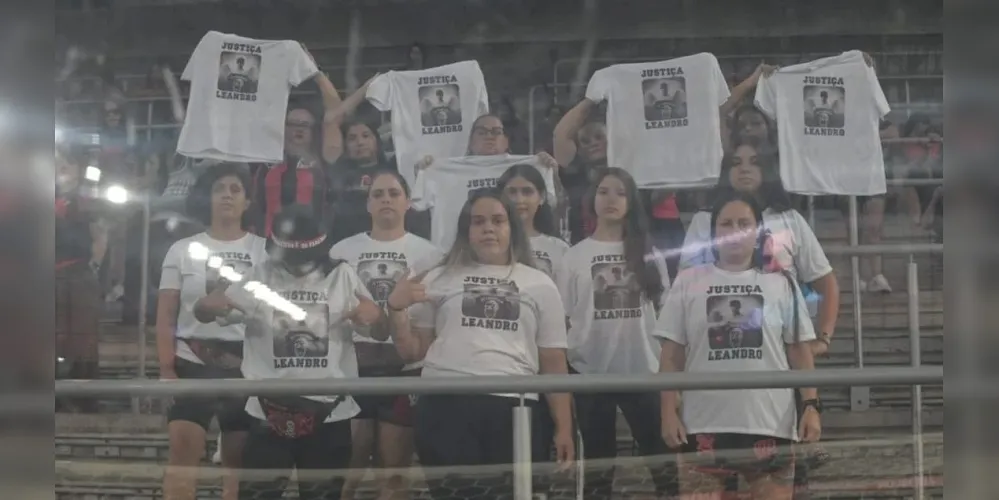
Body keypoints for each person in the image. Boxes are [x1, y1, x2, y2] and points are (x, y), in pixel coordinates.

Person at [385, 189, 575, 500]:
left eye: (498, 220)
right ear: (466, 230)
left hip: (515, 406)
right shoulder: (438, 277)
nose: (488, 228)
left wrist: (563, 427)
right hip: (446, 404)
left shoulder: (540, 283)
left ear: (511, 228)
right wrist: (396, 309)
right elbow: (412, 351)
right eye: (478, 221)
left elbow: (553, 362)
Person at [194, 204, 387, 500]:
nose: (297, 267)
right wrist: (206, 306)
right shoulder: (260, 274)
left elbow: (381, 331)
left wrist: (374, 314)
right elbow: (205, 313)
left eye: (304, 259)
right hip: (267, 411)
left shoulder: (343, 275)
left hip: (330, 412)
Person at [657, 191, 821, 499]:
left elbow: (799, 351)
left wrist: (811, 406)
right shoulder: (688, 281)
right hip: (703, 421)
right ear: (713, 232)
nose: (734, 231)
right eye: (726, 223)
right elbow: (671, 355)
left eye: (744, 223)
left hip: (771, 420)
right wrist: (668, 411)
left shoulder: (781, 282)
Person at [556, 168, 676, 500]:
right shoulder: (574, 256)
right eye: (604, 191)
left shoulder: (650, 252)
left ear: (632, 202)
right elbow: (564, 318)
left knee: (663, 464)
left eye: (620, 193)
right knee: (598, 468)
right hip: (589, 374)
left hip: (645, 372)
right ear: (591, 199)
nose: (611, 199)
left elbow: (665, 315)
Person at [329, 171, 443, 500]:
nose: (386, 200)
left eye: (394, 193)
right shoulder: (341, 251)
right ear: (368, 204)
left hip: (405, 371)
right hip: (352, 371)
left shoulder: (430, 254)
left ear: (408, 202)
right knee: (346, 475)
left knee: (393, 476)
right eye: (378, 194)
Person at [157, 164, 268, 500]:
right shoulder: (181, 249)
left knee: (237, 465)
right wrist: (165, 368)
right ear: (208, 197)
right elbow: (165, 313)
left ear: (247, 201)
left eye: (236, 189)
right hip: (192, 358)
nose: (227, 195)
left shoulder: (264, 251)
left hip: (246, 363)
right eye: (220, 188)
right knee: (182, 458)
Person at [678, 137, 839, 358]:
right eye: (736, 163)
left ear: (767, 169)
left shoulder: (790, 220)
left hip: (782, 346)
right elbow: (685, 288)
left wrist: (823, 339)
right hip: (714, 346)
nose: (745, 169)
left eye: (754, 162)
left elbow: (826, 283)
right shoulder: (703, 221)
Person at [55, 142, 107, 414]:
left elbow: (100, 234)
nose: (61, 169)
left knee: (82, 337)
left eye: (66, 164)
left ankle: (84, 400)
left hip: (78, 274)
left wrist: (94, 266)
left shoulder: (86, 200)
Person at [497, 163, 568, 279]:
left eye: (527, 192)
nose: (519, 200)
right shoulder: (490, 243)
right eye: (512, 192)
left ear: (542, 197)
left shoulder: (559, 249)